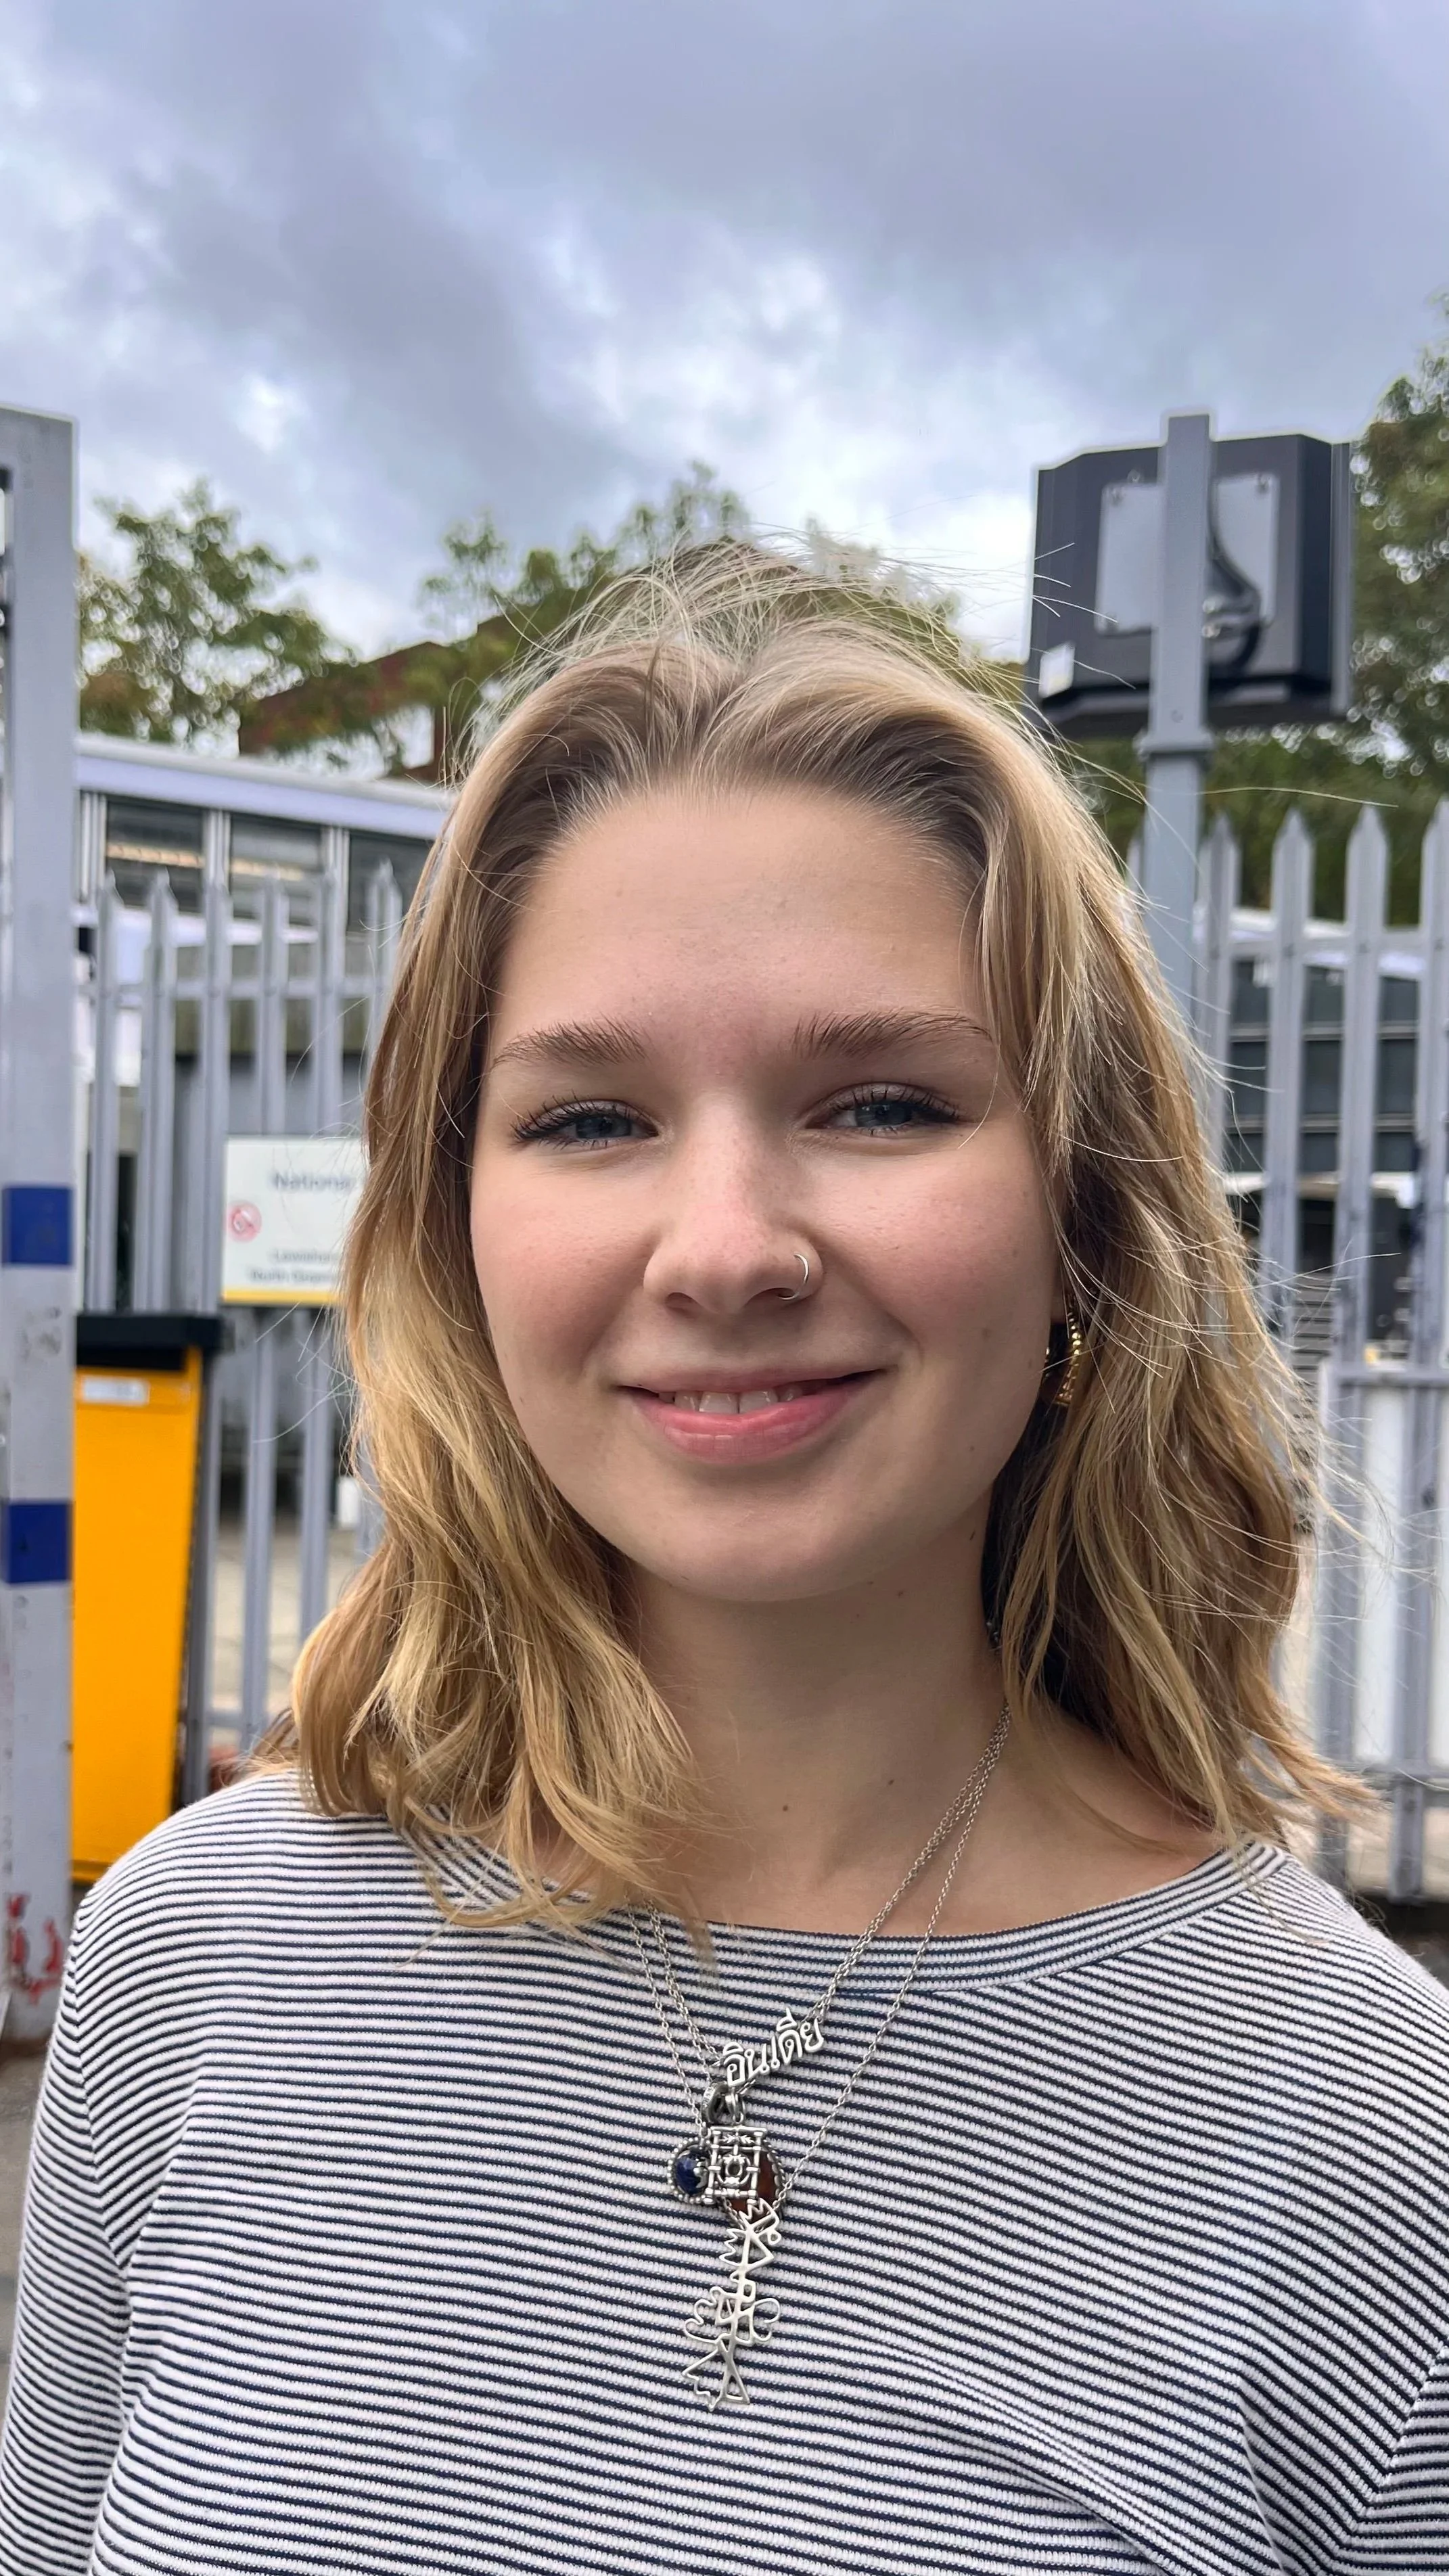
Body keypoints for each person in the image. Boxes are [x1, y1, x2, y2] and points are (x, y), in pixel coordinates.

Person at [1, 551, 1445, 2575]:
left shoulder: (1365, 2127)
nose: (725, 1247)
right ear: (457, 1229)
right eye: (591, 1117)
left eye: (876, 1102)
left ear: (1083, 1216)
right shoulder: (196, 1957)